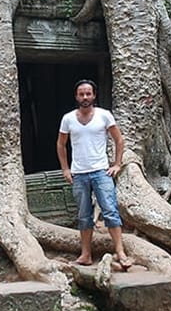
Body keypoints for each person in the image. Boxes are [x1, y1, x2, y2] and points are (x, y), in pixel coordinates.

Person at [56, 79, 133, 269]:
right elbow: (60, 144)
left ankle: (120, 252)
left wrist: (116, 164)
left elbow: (119, 140)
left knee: (110, 211)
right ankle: (85, 254)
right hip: (79, 174)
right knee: (84, 215)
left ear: (94, 96)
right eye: (81, 94)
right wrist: (66, 169)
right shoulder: (68, 119)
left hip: (101, 172)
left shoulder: (104, 116)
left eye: (88, 93)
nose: (85, 97)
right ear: (76, 96)